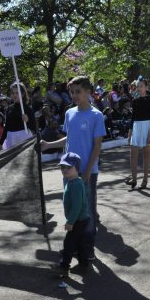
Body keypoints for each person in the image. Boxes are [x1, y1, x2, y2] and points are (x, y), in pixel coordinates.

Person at [41, 76, 106, 260]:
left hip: (87, 172)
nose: (74, 95)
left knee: (87, 210)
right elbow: (69, 138)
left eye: (78, 91)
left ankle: (88, 248)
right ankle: (76, 246)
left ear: (88, 92)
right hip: (69, 172)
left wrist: (87, 171)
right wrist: (48, 145)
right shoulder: (69, 113)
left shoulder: (96, 115)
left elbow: (97, 145)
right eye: (72, 92)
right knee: (71, 208)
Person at [51, 152, 90, 278]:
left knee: (68, 244)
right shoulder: (72, 181)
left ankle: (63, 267)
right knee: (79, 243)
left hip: (78, 220)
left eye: (68, 167)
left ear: (77, 168)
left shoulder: (76, 184)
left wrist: (71, 221)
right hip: (80, 219)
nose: (65, 170)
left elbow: (77, 206)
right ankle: (84, 265)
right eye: (62, 167)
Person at [126, 78, 150, 189]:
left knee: (146, 154)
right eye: (137, 86)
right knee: (133, 153)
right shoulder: (135, 101)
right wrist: (130, 132)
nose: (139, 88)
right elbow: (133, 118)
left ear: (146, 87)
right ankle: (134, 179)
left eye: (141, 86)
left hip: (147, 128)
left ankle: (145, 179)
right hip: (136, 127)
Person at [0, 83, 34, 150]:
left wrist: (27, 121)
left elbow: (34, 127)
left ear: (22, 94)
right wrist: (0, 143)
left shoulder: (27, 108)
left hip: (23, 138)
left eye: (17, 93)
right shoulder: (9, 108)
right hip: (11, 138)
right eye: (13, 93)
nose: (15, 95)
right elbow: (6, 127)